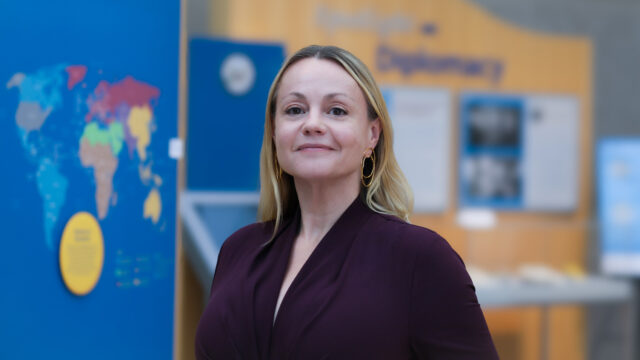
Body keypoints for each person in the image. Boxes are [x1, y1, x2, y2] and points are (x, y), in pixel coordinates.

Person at [195, 45, 498, 359]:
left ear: (372, 134)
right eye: (294, 110)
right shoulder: (238, 250)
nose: (312, 124)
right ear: (274, 132)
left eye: (336, 110)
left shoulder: (420, 260)